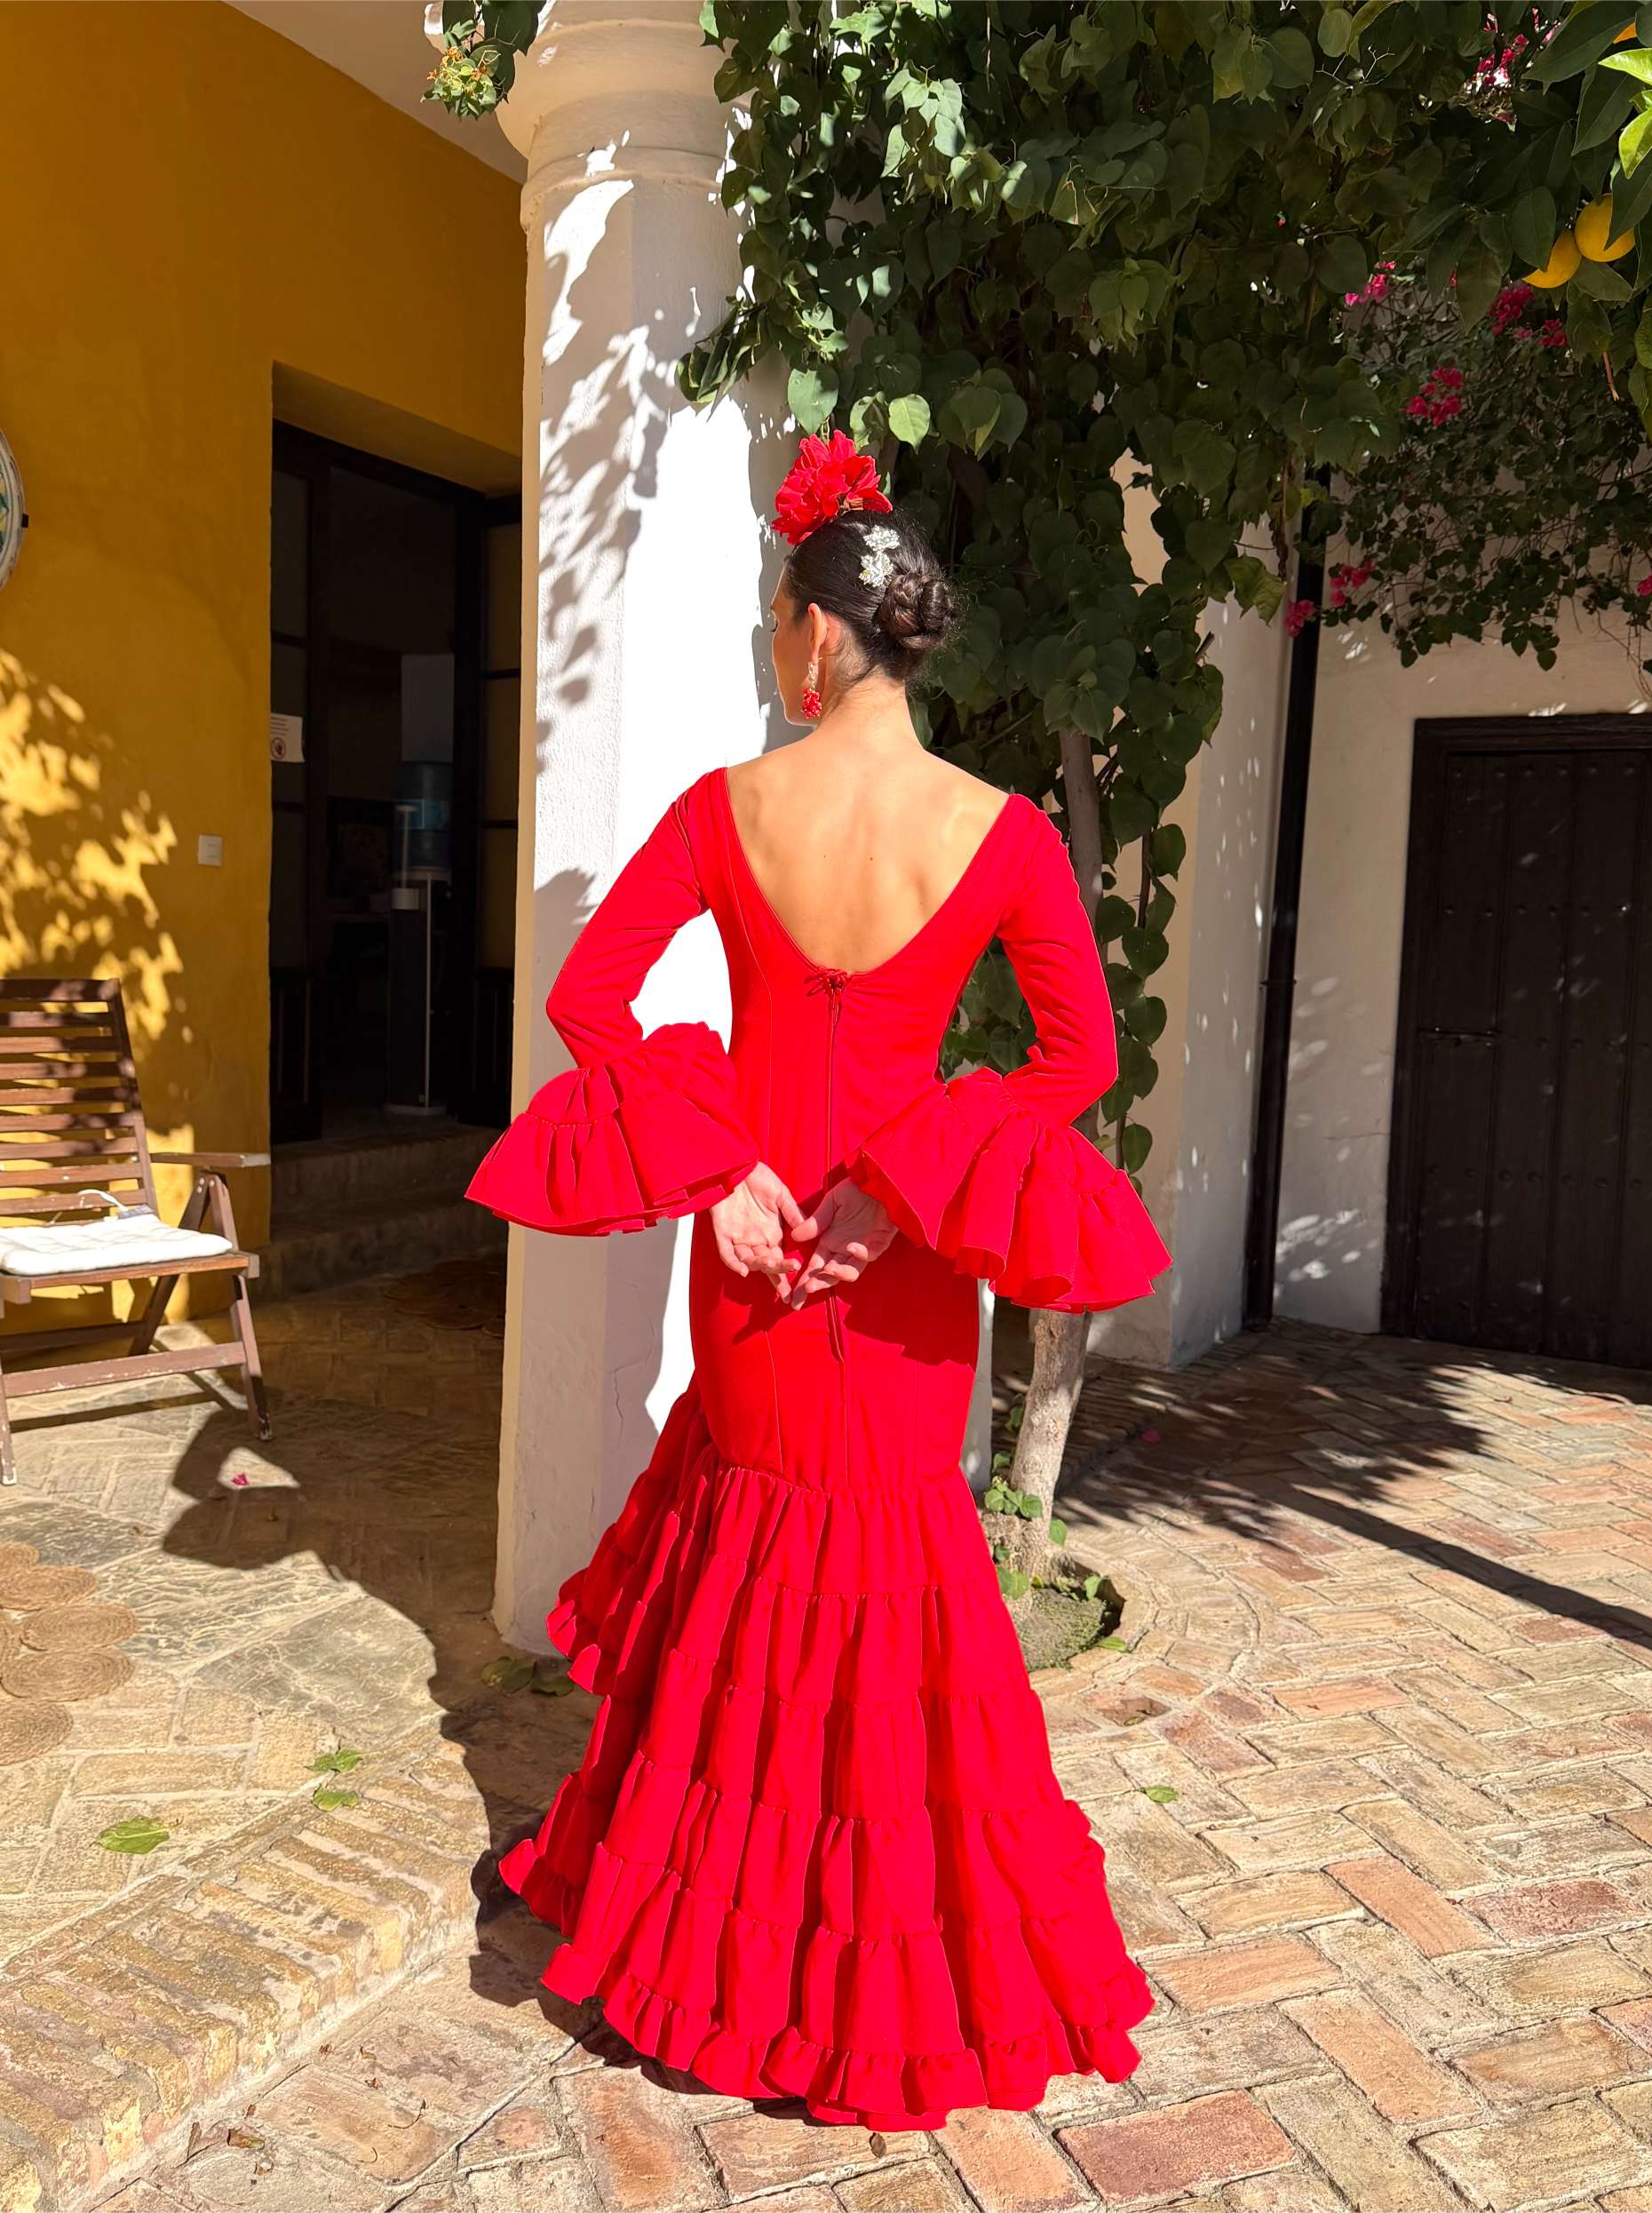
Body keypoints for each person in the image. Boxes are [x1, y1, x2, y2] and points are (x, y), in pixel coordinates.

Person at [466, 430, 1173, 2132]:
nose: (772, 654)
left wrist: (723, 1175)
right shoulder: (996, 835)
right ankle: (860, 1972)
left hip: (754, 1252)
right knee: (885, 1588)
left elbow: (589, 1005)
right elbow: (1074, 1055)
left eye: (775, 626)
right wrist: (911, 1192)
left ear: (814, 634)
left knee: (742, 1578)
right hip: (907, 1279)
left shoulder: (733, 810)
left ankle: (695, 1946)